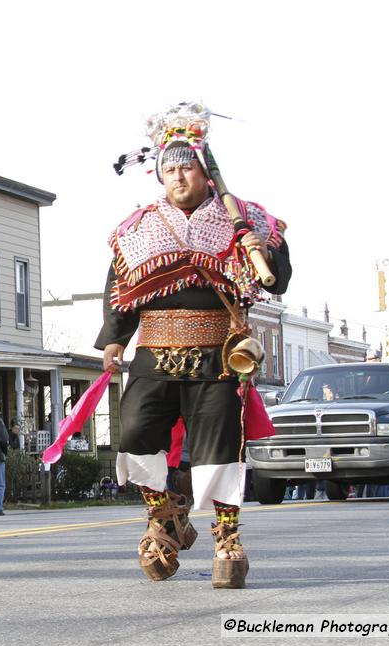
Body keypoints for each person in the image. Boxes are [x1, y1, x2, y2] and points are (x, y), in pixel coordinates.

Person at [100, 102, 292, 588]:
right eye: (169, 169)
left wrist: (265, 249)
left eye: (187, 166)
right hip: (155, 348)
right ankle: (163, 517)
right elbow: (119, 287)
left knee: (220, 448)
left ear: (207, 172)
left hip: (218, 353)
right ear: (158, 176)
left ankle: (227, 537)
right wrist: (115, 340)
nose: (178, 176)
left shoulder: (244, 219)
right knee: (135, 435)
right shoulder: (139, 227)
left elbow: (278, 282)